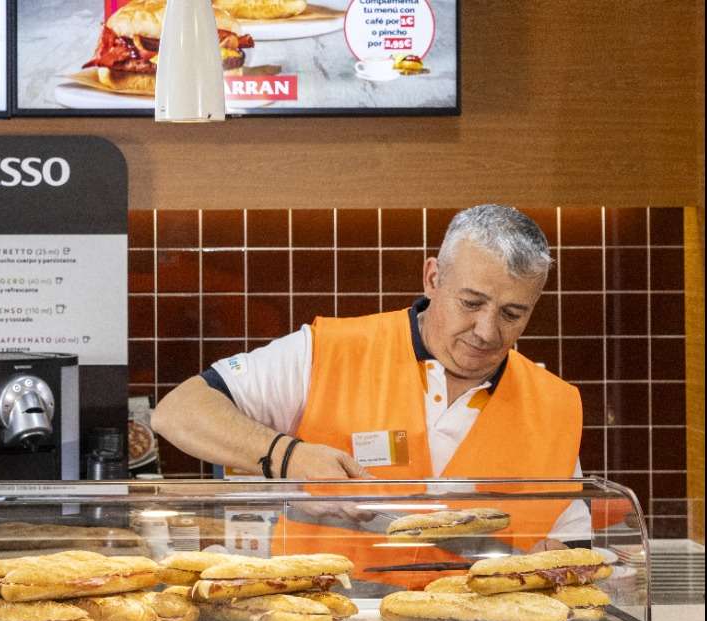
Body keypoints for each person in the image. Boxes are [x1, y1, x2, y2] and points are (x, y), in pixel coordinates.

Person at [152, 205, 591, 588]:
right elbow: (179, 411)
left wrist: (558, 562)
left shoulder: (554, 405)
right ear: (433, 278)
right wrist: (288, 457)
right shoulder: (328, 352)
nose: (487, 331)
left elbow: (573, 545)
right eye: (471, 303)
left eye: (512, 314)